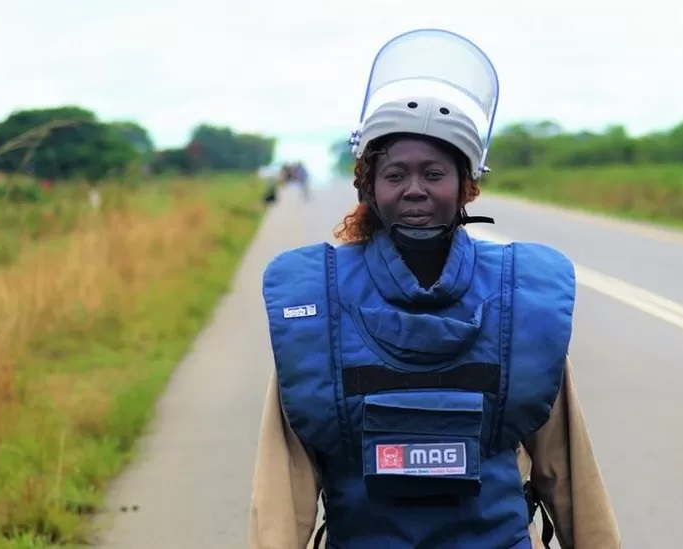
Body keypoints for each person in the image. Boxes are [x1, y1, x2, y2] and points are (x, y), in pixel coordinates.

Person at [249, 28, 620, 548]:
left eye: (435, 173)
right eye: (396, 173)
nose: (416, 189)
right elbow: (282, 487)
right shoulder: (317, 302)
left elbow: (568, 466)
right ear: (369, 187)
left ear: (466, 186)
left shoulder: (522, 299)